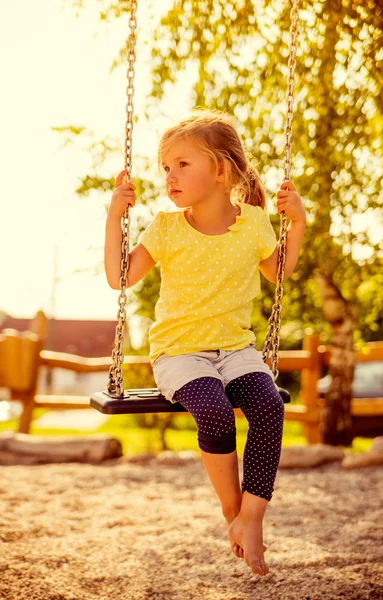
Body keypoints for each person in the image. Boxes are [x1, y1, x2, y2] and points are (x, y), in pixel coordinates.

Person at [105, 109, 307, 577]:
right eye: (165, 168)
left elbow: (278, 275)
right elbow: (119, 277)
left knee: (269, 408)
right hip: (180, 352)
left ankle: (252, 517)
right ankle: (232, 511)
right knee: (214, 410)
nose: (169, 176)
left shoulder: (255, 224)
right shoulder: (166, 227)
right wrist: (117, 215)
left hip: (236, 350)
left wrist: (297, 224)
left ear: (222, 169)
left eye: (182, 164)